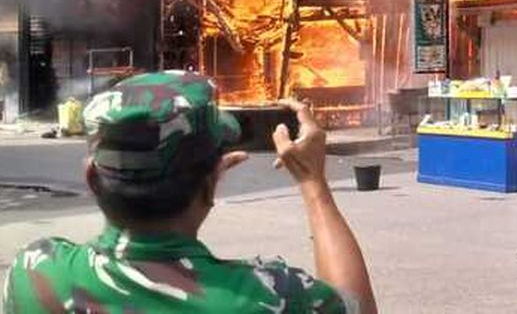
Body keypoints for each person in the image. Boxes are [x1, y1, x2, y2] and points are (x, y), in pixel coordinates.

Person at [2, 71, 378, 314]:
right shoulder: (272, 297)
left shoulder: (34, 271)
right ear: (213, 181)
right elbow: (358, 308)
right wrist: (314, 185)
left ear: (92, 179)